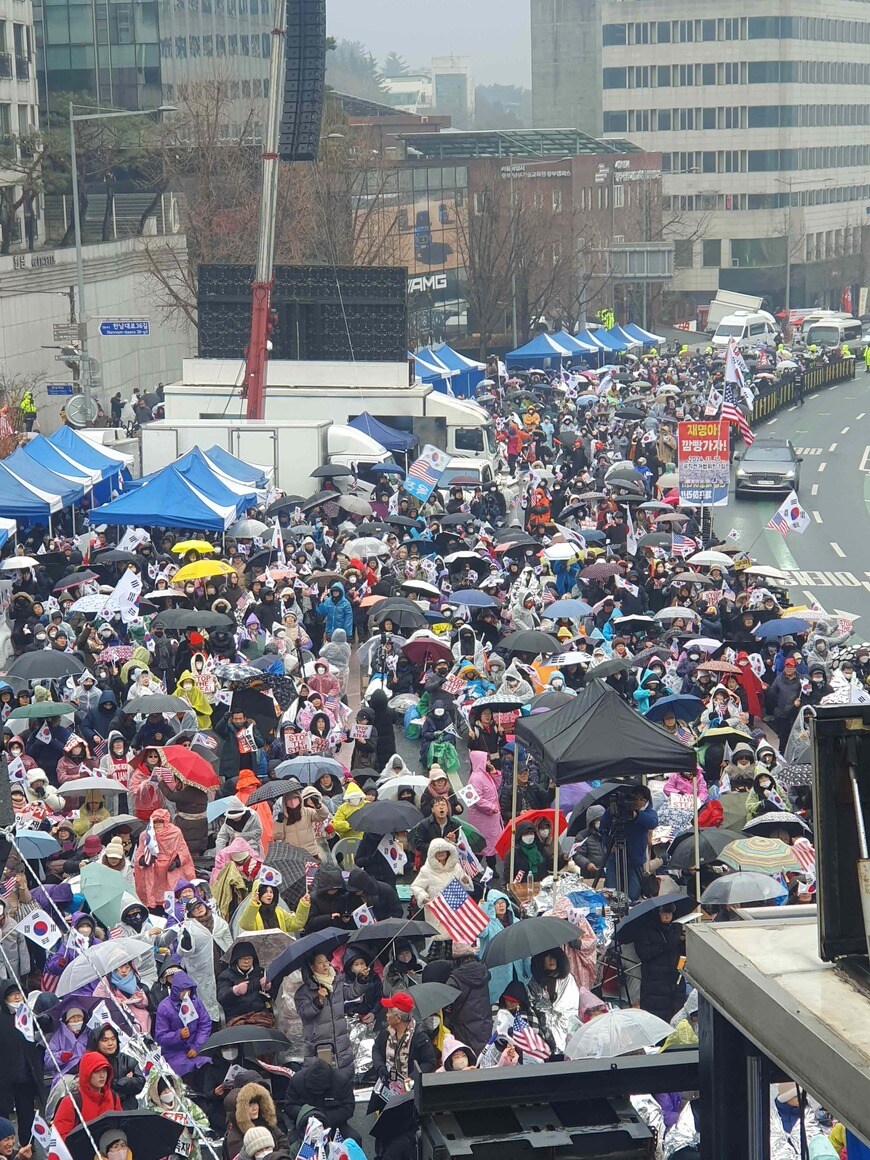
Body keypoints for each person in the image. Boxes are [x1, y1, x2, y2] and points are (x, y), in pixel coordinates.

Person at [294, 951, 354, 1071]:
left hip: (340, 1042)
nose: (325, 965)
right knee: (322, 1076)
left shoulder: (336, 983)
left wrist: (362, 979)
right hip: (319, 1044)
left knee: (344, 1075)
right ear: (312, 967)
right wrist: (318, 1000)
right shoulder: (303, 992)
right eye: (320, 963)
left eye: (326, 961)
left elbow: (352, 993)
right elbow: (304, 1013)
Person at [154, 969, 212, 1079]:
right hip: (173, 1053)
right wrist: (178, 1035)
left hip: (195, 1048)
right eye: (182, 990)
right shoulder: (164, 1007)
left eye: (188, 989)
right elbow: (160, 1037)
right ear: (176, 990)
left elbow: (204, 1024)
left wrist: (196, 1047)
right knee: (182, 1068)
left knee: (208, 1064)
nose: (186, 993)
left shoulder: (196, 1002)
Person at [634, 904, 686, 1023]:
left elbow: (683, 953)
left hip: (675, 981)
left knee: (677, 1018)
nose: (667, 916)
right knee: (657, 1019)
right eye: (664, 913)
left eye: (670, 913)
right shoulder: (646, 930)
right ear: (658, 914)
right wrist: (663, 947)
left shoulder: (676, 928)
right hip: (654, 983)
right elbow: (643, 953)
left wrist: (684, 942)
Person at [284, 1060, 357, 1145]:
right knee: (292, 1142)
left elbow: (348, 1108)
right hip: (304, 1126)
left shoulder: (341, 1081)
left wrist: (323, 1119)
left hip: (335, 1125)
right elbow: (289, 1106)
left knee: (354, 1139)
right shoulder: (297, 1080)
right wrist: (309, 1116)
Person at [372, 993, 436, 1088]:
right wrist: (380, 1066)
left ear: (398, 1018)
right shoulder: (386, 1031)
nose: (386, 1015)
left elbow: (429, 1062)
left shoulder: (419, 1037)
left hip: (409, 1089)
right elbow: (376, 1049)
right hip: (387, 1086)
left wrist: (413, 1078)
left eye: (389, 1012)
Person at [52, 1051, 121, 1139]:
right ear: (87, 1074)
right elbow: (61, 1137)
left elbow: (120, 1126)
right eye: (97, 1071)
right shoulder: (71, 1102)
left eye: (105, 1071)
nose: (102, 1075)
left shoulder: (113, 1097)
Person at [217, 941, 273, 1027]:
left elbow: (271, 997)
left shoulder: (261, 973)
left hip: (259, 1014)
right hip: (236, 1016)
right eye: (242, 959)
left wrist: (268, 988)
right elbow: (221, 997)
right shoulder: (226, 975)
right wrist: (234, 991)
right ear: (236, 960)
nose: (246, 962)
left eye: (249, 958)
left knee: (265, 1030)